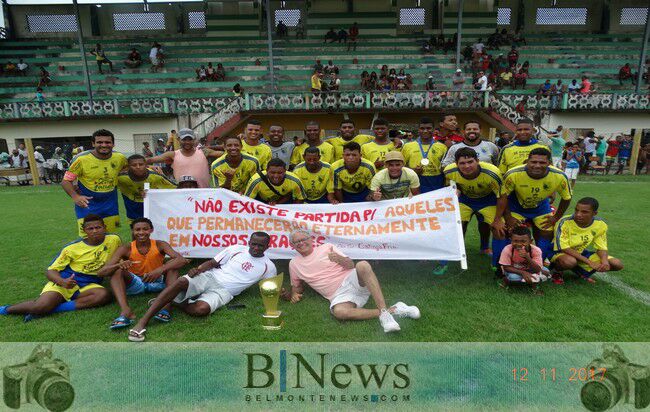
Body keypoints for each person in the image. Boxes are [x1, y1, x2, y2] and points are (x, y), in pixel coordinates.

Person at [128, 232, 277, 342]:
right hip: (211, 276)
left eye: (261, 245)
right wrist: (198, 269)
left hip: (225, 292)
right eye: (254, 244)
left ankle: (170, 301)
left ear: (267, 246)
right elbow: (212, 263)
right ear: (249, 242)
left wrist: (284, 294)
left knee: (201, 310)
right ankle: (143, 322)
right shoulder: (236, 248)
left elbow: (270, 288)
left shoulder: (268, 266)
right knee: (181, 282)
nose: (256, 248)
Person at [285, 230, 420, 333]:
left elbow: (350, 265)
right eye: (296, 242)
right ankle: (394, 310)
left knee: (362, 265)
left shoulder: (327, 247)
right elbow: (297, 289)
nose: (301, 243)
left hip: (351, 280)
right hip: (339, 296)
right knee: (340, 312)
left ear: (311, 239)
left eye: (303, 239)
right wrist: (294, 295)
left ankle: (384, 314)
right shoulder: (294, 263)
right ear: (292, 245)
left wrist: (338, 258)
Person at [0, 215, 118, 320]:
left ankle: (54, 308)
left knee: (104, 295)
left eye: (98, 227)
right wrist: (63, 282)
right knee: (40, 306)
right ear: (84, 230)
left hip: (89, 283)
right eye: (90, 229)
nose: (95, 231)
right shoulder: (71, 248)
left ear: (105, 227)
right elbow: (50, 271)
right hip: (66, 280)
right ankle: (6, 309)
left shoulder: (113, 240)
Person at [98, 218, 187, 329]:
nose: (141, 232)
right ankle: (126, 312)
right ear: (132, 231)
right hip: (136, 283)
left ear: (151, 230)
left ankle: (166, 307)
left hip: (158, 282)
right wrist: (119, 265)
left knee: (173, 266)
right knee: (117, 271)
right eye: (137, 229)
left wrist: (159, 270)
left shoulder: (160, 244)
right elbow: (101, 272)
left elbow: (182, 260)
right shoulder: (126, 248)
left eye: (145, 229)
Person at [494, 148, 572, 263]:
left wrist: (556, 217)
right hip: (516, 207)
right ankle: (501, 264)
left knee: (547, 230)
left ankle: (538, 262)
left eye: (542, 162)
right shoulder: (513, 174)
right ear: (527, 161)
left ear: (549, 163)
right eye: (534, 162)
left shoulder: (559, 176)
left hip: (541, 208)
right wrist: (508, 217)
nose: (537, 165)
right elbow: (503, 197)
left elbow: (567, 198)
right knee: (502, 230)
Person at [444, 147, 504, 266]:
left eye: (470, 162)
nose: (466, 166)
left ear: (477, 160)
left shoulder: (492, 172)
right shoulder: (449, 171)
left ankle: (499, 263)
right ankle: (445, 260)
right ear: (456, 164)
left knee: (499, 230)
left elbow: (502, 196)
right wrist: (457, 189)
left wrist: (498, 220)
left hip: (488, 200)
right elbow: (450, 185)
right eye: (462, 163)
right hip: (465, 200)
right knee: (454, 227)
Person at [62, 129, 128, 236]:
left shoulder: (120, 158)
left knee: (111, 238)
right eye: (99, 142)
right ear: (93, 143)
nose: (104, 145)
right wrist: (75, 197)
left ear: (113, 144)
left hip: (110, 204)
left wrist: (151, 167)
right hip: (88, 205)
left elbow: (130, 168)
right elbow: (66, 181)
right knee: (89, 238)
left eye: (107, 142)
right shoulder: (81, 159)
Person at [550, 197, 623, 284]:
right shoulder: (564, 222)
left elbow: (601, 247)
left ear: (594, 213)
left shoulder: (600, 224)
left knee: (617, 264)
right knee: (569, 261)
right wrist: (589, 262)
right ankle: (556, 271)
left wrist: (604, 261)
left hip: (580, 253)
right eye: (576, 210)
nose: (578, 214)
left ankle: (580, 271)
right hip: (557, 252)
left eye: (584, 212)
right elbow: (563, 248)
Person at [146, 128, 222, 189]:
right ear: (178, 139)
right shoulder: (173, 154)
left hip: (203, 195)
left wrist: (212, 147)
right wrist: (149, 166)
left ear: (194, 139)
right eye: (184, 139)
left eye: (190, 139)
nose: (187, 142)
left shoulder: (203, 152)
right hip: (182, 195)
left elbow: (227, 154)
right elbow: (149, 160)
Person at [117, 154, 176, 221]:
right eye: (134, 165)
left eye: (141, 164)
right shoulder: (121, 178)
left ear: (145, 165)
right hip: (133, 212)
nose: (138, 167)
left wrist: (154, 193)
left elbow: (175, 189)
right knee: (137, 230)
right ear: (128, 166)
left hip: (153, 212)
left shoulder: (156, 176)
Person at [402, 117, 448, 194]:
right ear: (418, 130)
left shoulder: (442, 147)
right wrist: (413, 171)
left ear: (433, 129)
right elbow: (401, 166)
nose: (425, 131)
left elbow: (445, 168)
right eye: (422, 128)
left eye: (429, 128)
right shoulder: (408, 146)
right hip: (415, 181)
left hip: (436, 182)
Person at [499, 226, 548, 295]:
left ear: (530, 241)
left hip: (530, 269)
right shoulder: (507, 249)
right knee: (513, 277)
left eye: (523, 241)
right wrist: (523, 273)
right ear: (511, 240)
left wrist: (527, 258)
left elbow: (537, 269)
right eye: (515, 241)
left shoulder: (536, 250)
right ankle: (507, 280)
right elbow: (506, 267)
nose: (519, 244)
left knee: (546, 273)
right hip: (514, 269)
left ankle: (533, 286)